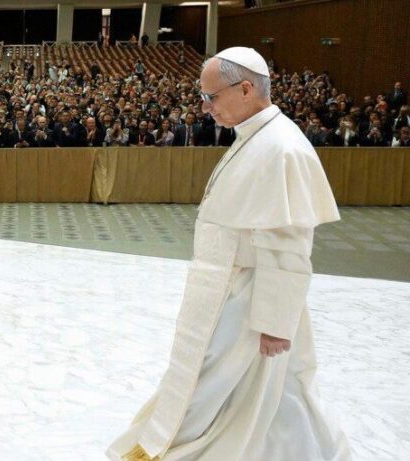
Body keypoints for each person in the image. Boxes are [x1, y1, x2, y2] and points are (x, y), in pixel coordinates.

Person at [107, 47, 352, 461]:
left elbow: (289, 243)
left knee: (226, 386)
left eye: (211, 96)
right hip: (230, 285)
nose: (204, 107)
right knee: (267, 390)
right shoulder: (254, 136)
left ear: (244, 89)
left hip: (251, 298)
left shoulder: (281, 148)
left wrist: (275, 322)